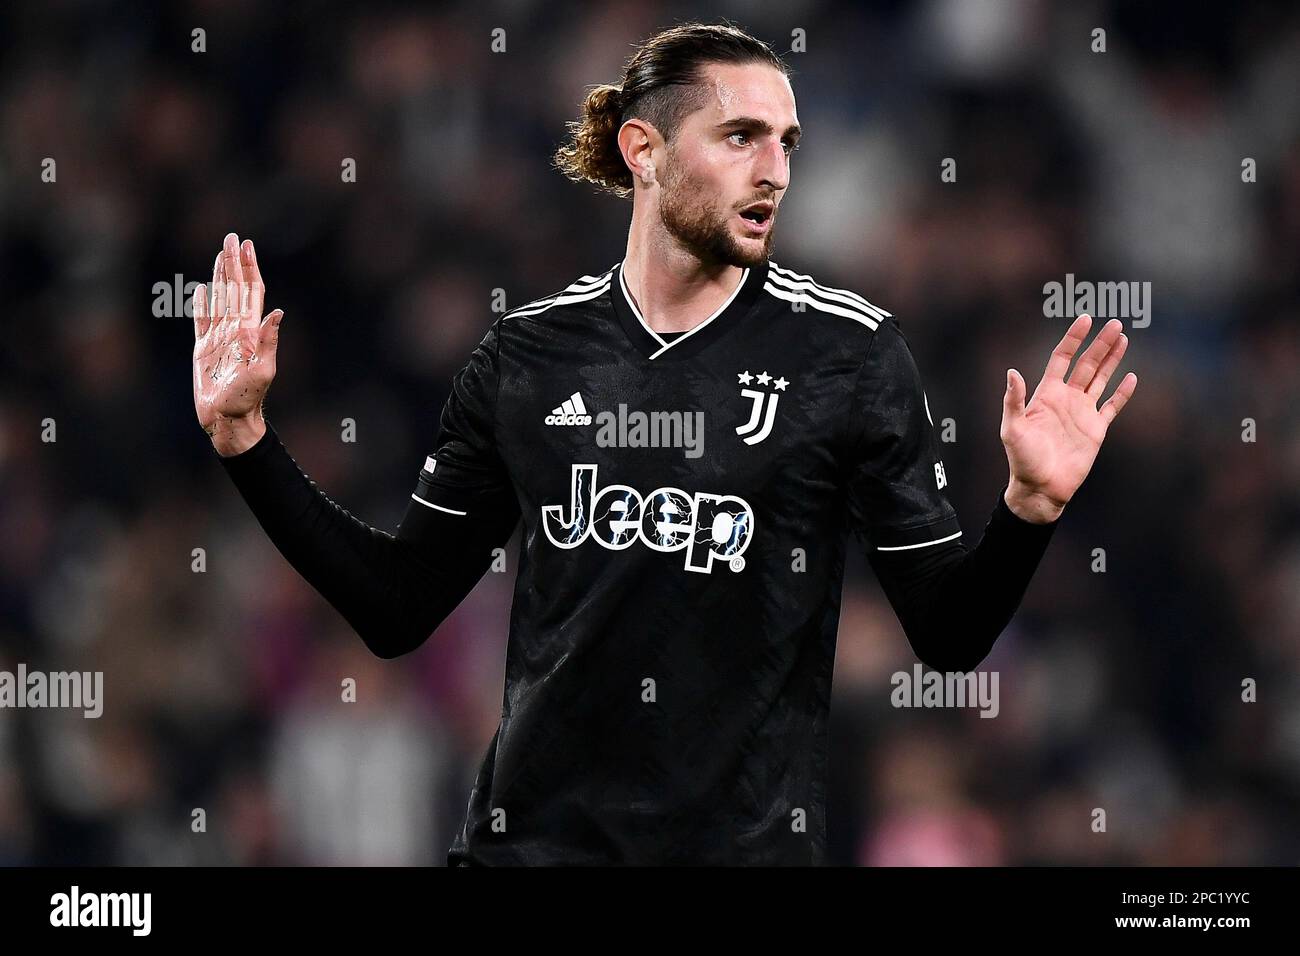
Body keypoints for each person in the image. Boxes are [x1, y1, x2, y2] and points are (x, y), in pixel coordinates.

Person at [191, 22, 1136, 865]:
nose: (776, 170)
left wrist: (1028, 510)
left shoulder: (849, 356)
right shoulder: (527, 356)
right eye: (741, 137)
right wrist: (247, 442)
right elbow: (397, 608)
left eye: (788, 143)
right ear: (643, 150)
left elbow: (950, 635)